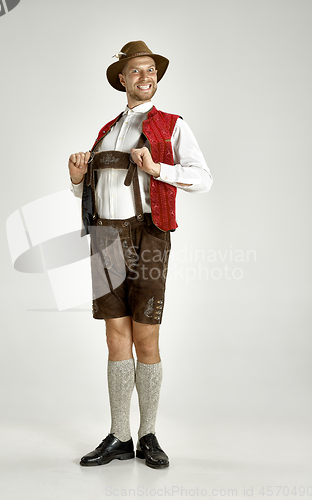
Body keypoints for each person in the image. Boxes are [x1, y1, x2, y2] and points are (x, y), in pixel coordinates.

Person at [68, 41, 212, 469]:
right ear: (122, 80)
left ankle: (148, 433)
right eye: (136, 71)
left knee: (146, 337)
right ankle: (119, 435)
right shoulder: (107, 131)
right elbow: (93, 191)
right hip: (105, 239)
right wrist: (77, 180)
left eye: (150, 70)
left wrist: (157, 169)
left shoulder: (171, 125)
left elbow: (203, 178)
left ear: (156, 78)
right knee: (116, 339)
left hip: (149, 235)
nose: (145, 77)